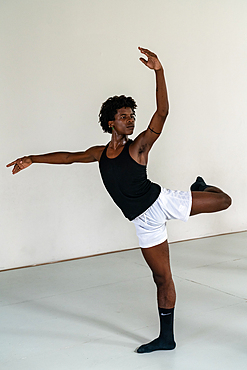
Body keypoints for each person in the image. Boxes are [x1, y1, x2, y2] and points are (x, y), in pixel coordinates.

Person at [6, 47, 232, 353]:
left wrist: (159, 71)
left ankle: (202, 187)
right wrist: (32, 158)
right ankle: (167, 338)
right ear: (110, 122)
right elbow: (70, 158)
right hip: (143, 221)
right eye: (123, 116)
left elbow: (162, 114)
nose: (130, 120)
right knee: (161, 278)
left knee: (224, 202)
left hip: (162, 201)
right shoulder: (100, 154)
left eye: (132, 116)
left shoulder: (138, 147)